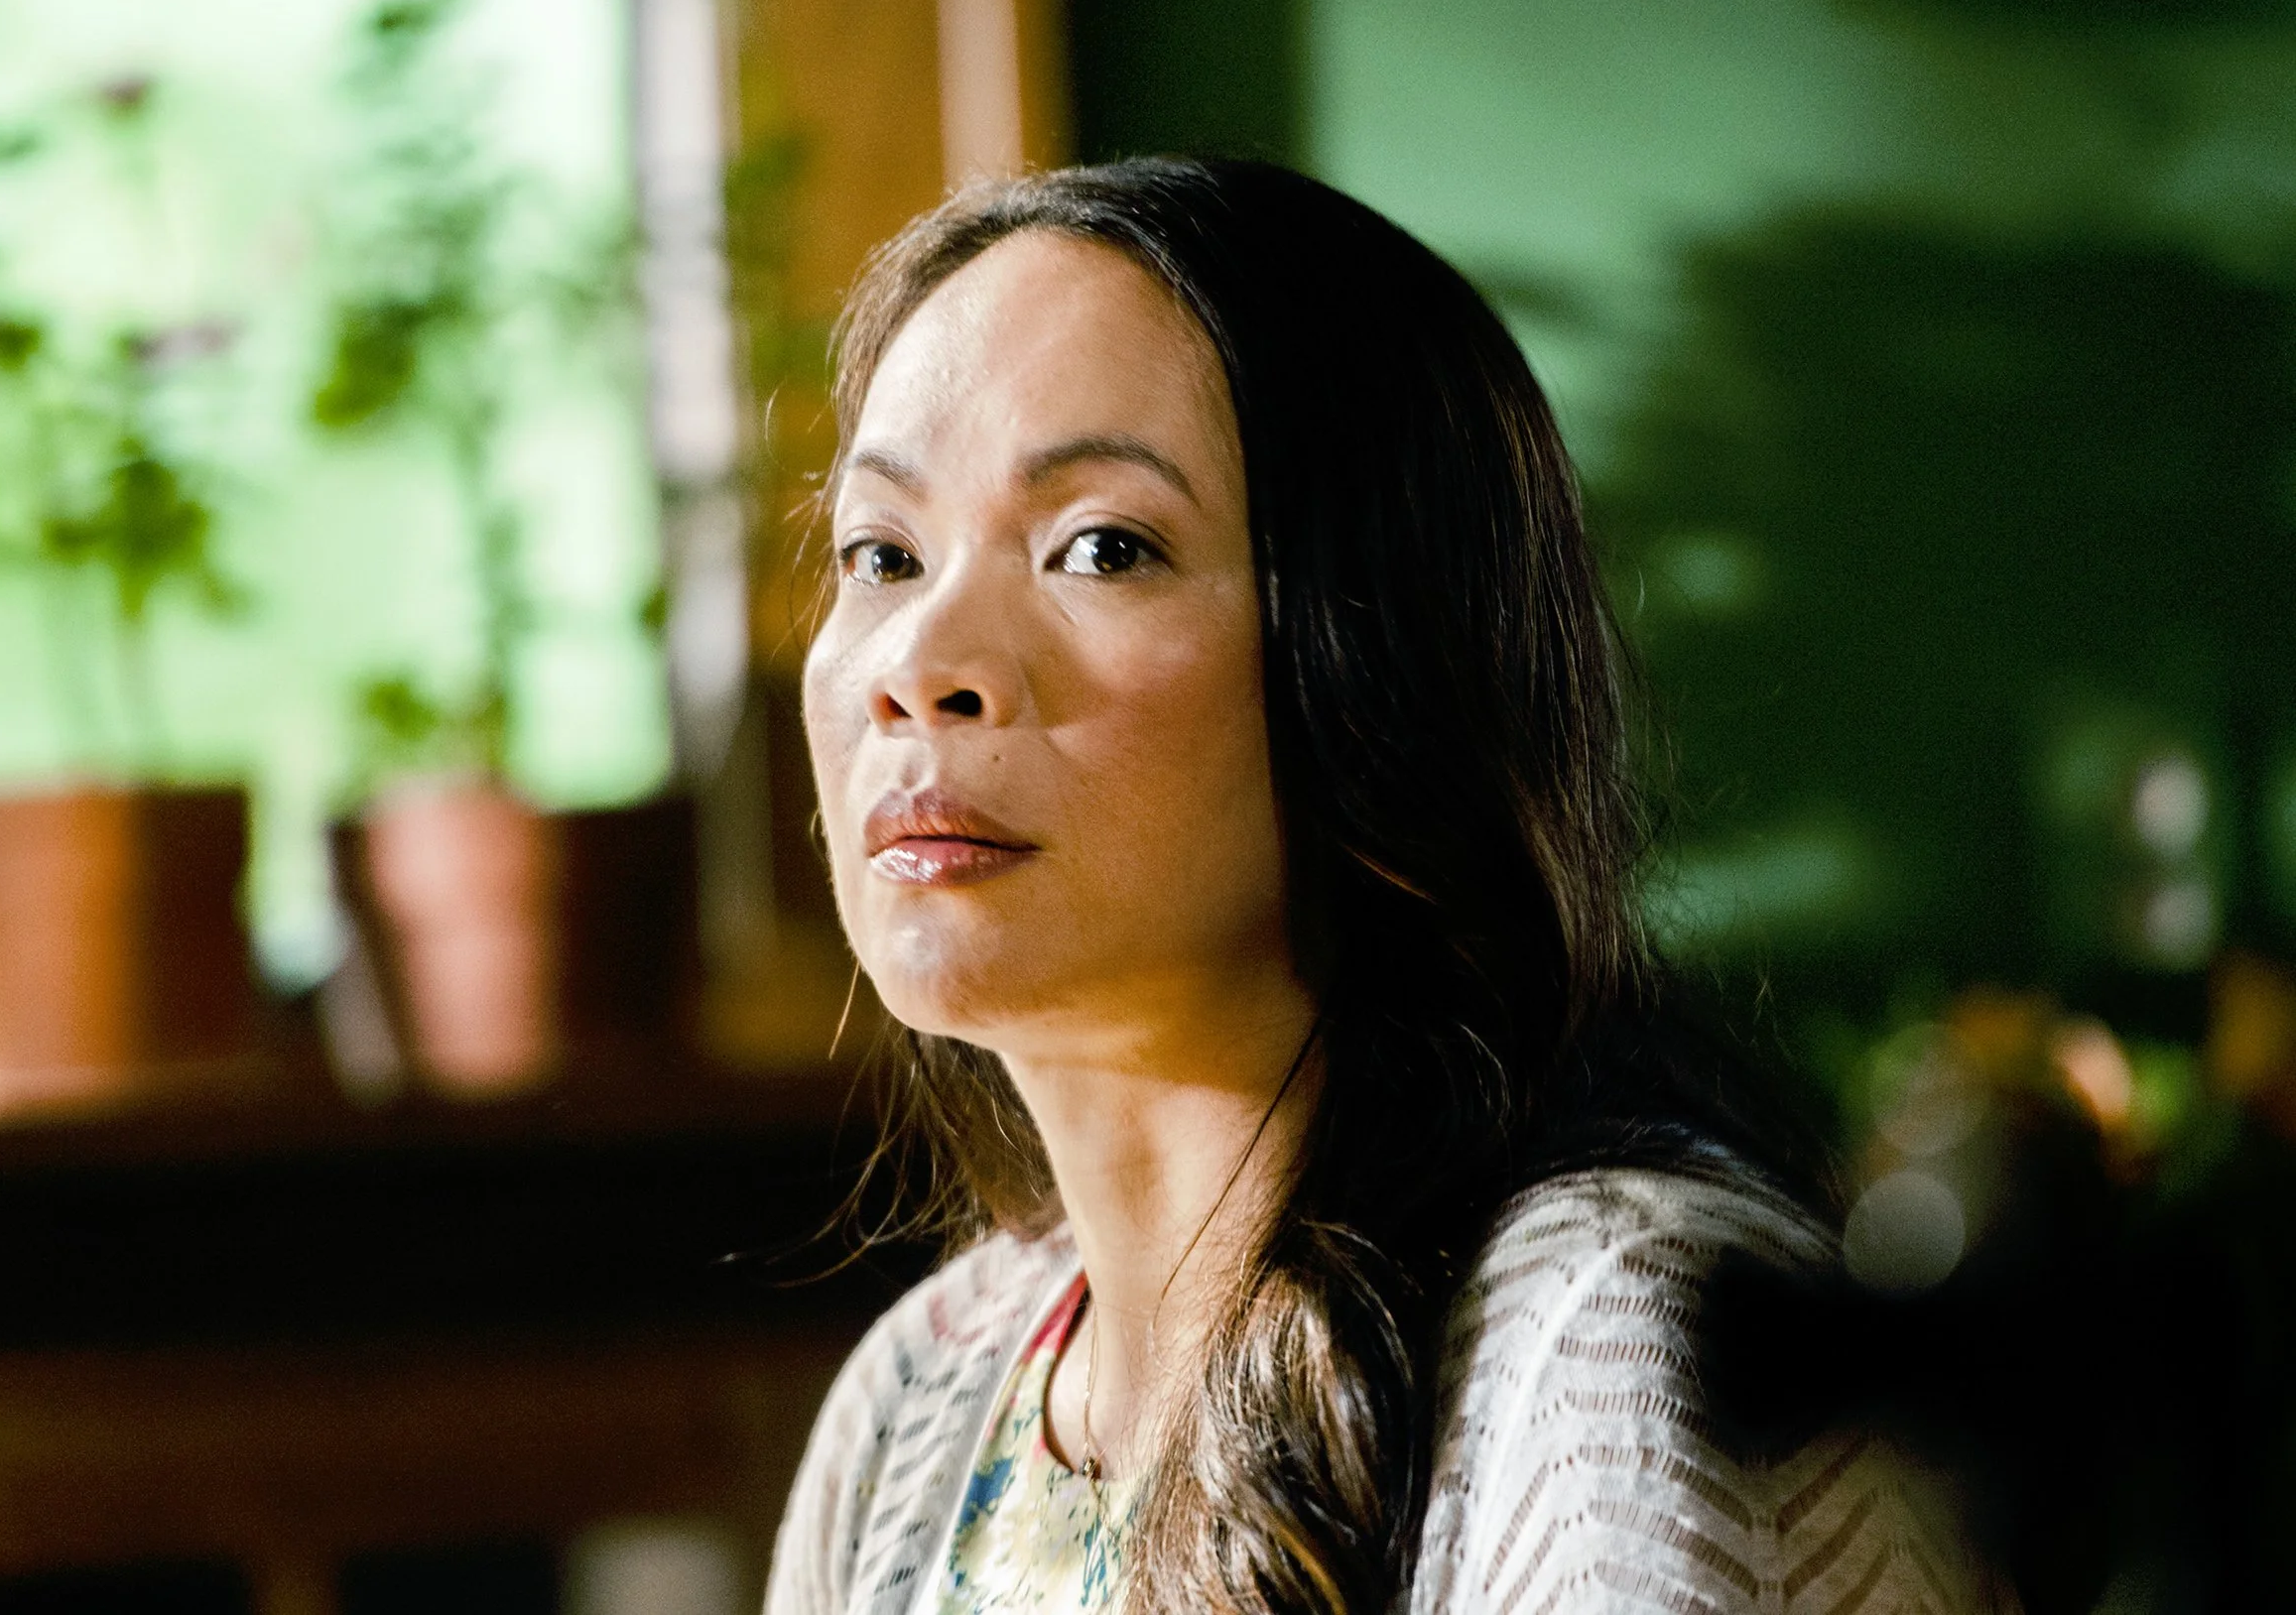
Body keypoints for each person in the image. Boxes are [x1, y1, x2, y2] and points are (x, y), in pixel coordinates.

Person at [768, 159, 1986, 1615]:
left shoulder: (1607, 1352)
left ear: (1377, 669)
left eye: (1105, 547)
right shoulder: (919, 1396)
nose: (920, 664)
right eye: (881, 553)